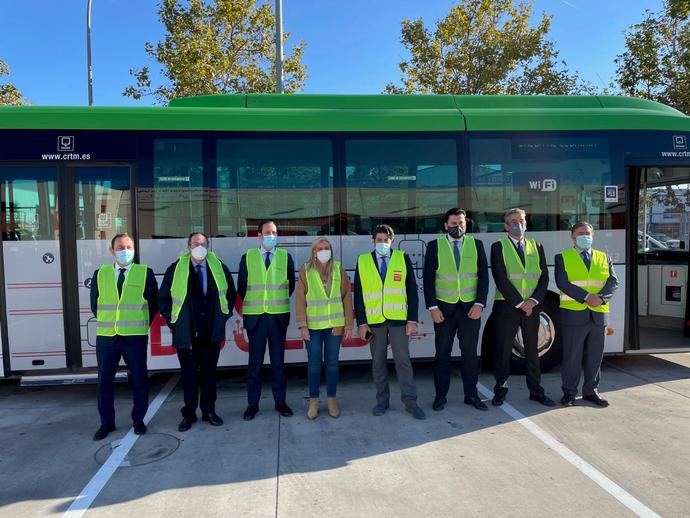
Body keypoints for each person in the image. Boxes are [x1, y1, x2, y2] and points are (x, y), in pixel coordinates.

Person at [159, 232, 236, 432]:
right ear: (188, 247)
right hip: (186, 335)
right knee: (189, 377)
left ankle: (209, 411)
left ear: (208, 247)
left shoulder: (219, 268)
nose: (199, 247)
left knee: (209, 376)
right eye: (195, 243)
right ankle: (189, 414)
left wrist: (222, 318)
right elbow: (164, 300)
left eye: (203, 244)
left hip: (211, 333)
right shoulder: (175, 270)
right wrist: (173, 323)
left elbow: (230, 295)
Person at [90, 233, 159, 441]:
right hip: (107, 337)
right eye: (120, 247)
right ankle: (107, 423)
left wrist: (140, 322)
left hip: (135, 336)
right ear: (112, 251)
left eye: (129, 247)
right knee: (104, 382)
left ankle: (138, 420)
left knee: (139, 380)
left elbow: (153, 304)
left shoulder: (145, 273)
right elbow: (95, 305)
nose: (125, 251)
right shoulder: (100, 274)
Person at [354, 224, 425, 420]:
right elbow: (359, 295)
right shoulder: (363, 261)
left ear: (392, 241)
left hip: (399, 321)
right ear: (373, 241)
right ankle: (382, 401)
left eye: (386, 240)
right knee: (378, 363)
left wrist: (412, 320)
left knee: (403, 362)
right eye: (379, 240)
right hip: (374, 321)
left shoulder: (402, 258)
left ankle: (411, 403)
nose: (383, 243)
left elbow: (412, 291)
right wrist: (361, 323)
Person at [423, 208, 489, 412]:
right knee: (442, 354)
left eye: (461, 223)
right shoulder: (435, 246)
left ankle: (471, 395)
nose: (457, 227)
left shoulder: (476, 244)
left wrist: (480, 304)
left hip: (470, 309)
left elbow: (484, 278)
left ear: (466, 225)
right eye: (453, 224)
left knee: (469, 354)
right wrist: (432, 307)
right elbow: (428, 279)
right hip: (443, 309)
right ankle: (440, 397)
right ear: (445, 225)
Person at [490, 208, 555, 407]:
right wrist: (520, 303)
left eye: (521, 220)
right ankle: (500, 390)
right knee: (503, 351)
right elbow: (500, 278)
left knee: (532, 353)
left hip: (532, 308)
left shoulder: (537, 246)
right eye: (513, 221)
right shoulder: (498, 246)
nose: (518, 224)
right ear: (506, 226)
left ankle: (536, 390)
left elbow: (544, 277)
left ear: (526, 222)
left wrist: (533, 301)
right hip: (508, 308)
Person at [555, 221, 619, 407]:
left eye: (588, 233)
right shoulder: (562, 257)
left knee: (595, 357)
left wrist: (601, 298)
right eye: (581, 233)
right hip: (574, 315)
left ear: (593, 235)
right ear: (573, 236)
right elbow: (562, 283)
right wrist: (586, 297)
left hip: (598, 315)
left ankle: (591, 391)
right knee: (571, 357)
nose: (585, 236)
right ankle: (569, 393)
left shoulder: (603, 257)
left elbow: (613, 282)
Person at [238, 220, 296, 420]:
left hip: (277, 318)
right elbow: (242, 287)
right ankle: (252, 405)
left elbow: (290, 287)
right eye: (268, 232)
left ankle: (280, 402)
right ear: (259, 236)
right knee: (255, 364)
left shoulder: (285, 257)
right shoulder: (248, 258)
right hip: (256, 319)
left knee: (278, 363)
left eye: (275, 232)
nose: (272, 235)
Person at [296, 237, 354, 419]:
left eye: (326, 248)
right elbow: (300, 299)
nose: (323, 251)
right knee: (313, 365)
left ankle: (331, 400)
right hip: (313, 327)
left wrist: (348, 324)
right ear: (314, 251)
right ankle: (313, 401)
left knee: (332, 365)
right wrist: (302, 325)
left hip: (334, 327)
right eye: (320, 248)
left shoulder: (338, 269)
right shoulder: (306, 270)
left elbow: (346, 297)